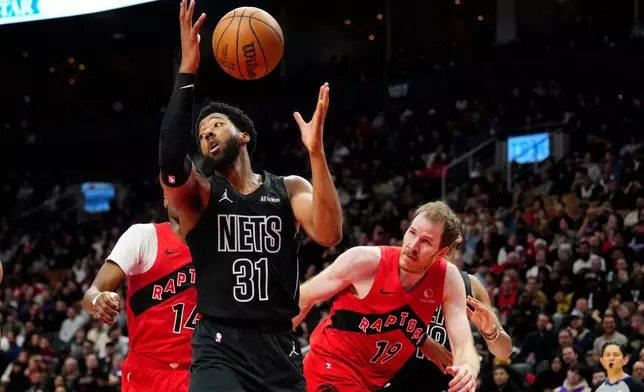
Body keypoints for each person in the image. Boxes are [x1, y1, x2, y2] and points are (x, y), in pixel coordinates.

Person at [159, 1, 343, 391]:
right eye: (202, 132)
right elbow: (172, 159)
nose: (206, 133)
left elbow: (329, 234)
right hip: (220, 346)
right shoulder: (201, 197)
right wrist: (188, 69)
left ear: (243, 136)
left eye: (216, 125)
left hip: (279, 346)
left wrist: (316, 154)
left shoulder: (289, 188)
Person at [295, 201, 480, 392]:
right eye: (412, 232)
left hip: (372, 382)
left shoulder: (448, 279)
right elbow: (303, 298)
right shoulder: (365, 261)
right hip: (330, 367)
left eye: (426, 241)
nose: (412, 246)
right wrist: (271, 348)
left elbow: (464, 343)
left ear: (441, 253)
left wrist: (468, 367)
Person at [82, 195, 195, 392]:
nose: (183, 196)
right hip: (146, 374)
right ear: (166, 198)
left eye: (189, 190)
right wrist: (99, 300)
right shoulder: (143, 236)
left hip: (200, 371)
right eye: (176, 190)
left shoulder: (221, 245)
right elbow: (91, 294)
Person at [385, 234, 512, 391]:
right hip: (396, 380)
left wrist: (490, 332)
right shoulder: (401, 274)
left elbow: (504, 351)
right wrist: (422, 339)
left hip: (444, 384)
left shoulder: (470, 285)